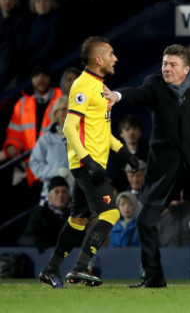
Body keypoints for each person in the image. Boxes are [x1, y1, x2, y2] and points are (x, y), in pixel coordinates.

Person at [103, 44, 190, 288]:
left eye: (172, 64)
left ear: (186, 69)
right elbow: (137, 93)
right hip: (164, 169)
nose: (166, 68)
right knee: (145, 220)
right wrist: (116, 95)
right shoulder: (154, 83)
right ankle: (154, 277)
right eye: (165, 63)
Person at [38, 36, 140, 289]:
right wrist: (87, 160)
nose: (115, 58)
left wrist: (123, 152)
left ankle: (50, 270)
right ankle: (79, 269)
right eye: (111, 54)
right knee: (112, 212)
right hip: (87, 165)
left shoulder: (98, 86)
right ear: (98, 59)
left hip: (93, 162)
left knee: (78, 220)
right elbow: (69, 128)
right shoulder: (83, 85)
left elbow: (100, 131)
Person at [2, 65, 62, 188]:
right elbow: (15, 132)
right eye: (36, 75)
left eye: (44, 75)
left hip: (55, 164)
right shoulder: (22, 103)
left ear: (50, 78)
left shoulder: (61, 98)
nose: (40, 78)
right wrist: (12, 145)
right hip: (31, 168)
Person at [29, 96, 74, 198]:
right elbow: (34, 164)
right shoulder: (46, 139)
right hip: (53, 194)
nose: (66, 113)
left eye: (69, 109)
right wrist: (58, 172)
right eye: (62, 109)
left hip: (79, 194)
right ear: (56, 114)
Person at [18, 176, 71, 250]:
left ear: (69, 196)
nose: (61, 195)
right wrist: (39, 242)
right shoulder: (40, 213)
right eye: (57, 192)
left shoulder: (75, 213)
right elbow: (25, 239)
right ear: (49, 197)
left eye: (64, 192)